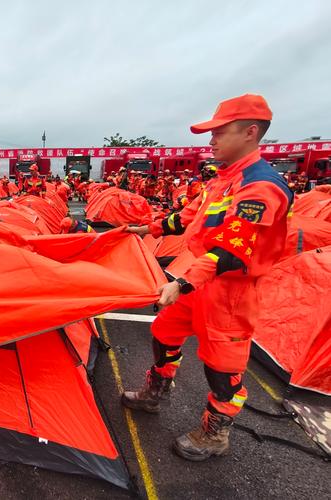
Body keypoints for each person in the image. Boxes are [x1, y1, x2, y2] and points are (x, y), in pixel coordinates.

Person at [122, 94, 293, 461]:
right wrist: (144, 229)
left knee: (223, 368)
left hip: (230, 292)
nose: (211, 140)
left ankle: (215, 433)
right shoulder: (221, 181)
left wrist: (180, 283)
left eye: (219, 132)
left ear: (250, 133)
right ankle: (157, 391)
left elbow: (232, 251)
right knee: (163, 332)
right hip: (197, 280)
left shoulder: (261, 187)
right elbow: (185, 218)